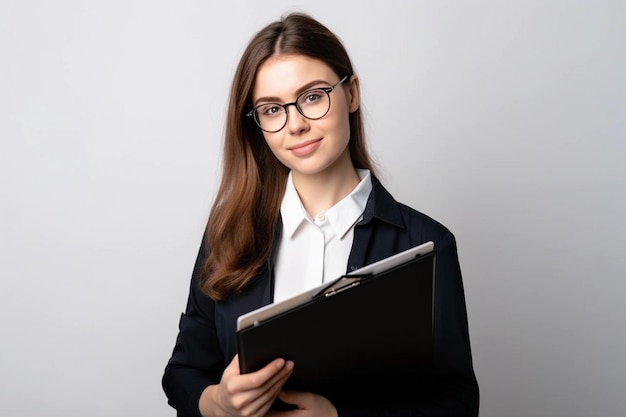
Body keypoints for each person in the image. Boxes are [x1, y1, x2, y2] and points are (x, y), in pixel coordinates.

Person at [162, 12, 479, 417]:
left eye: (312, 96)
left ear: (351, 94)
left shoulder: (426, 243)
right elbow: (183, 372)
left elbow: (458, 405)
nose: (294, 125)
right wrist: (217, 403)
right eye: (272, 109)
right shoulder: (228, 236)